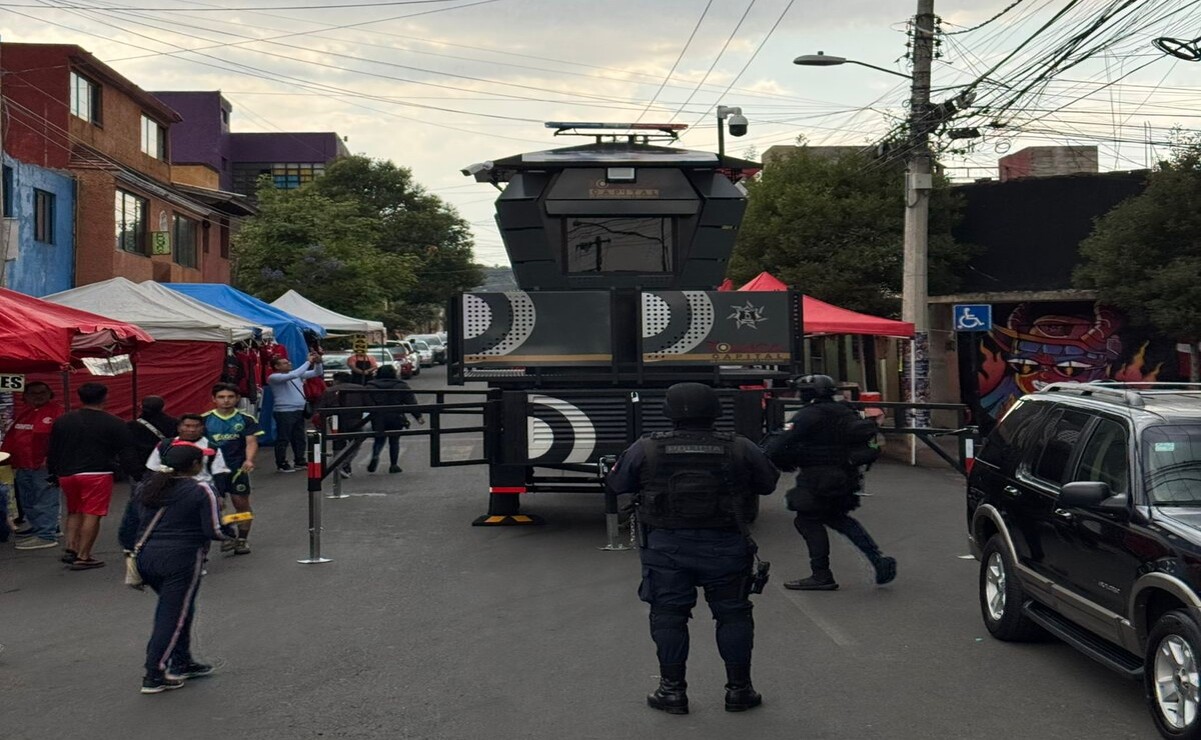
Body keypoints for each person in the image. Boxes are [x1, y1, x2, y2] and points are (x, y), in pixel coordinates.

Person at [607, 382, 780, 715]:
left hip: (666, 547)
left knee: (669, 616)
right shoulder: (739, 447)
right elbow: (768, 483)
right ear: (715, 411)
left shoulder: (647, 448)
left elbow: (617, 484)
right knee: (733, 614)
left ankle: (672, 692)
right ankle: (739, 691)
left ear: (669, 412)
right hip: (726, 544)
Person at [766, 374, 897, 591]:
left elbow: (779, 445)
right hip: (846, 476)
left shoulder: (808, 415)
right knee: (839, 519)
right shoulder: (845, 411)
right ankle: (879, 561)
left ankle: (821, 574)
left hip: (817, 477)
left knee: (807, 520)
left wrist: (783, 460)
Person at [118, 442, 230, 694]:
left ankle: (182, 661)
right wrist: (230, 533)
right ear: (194, 465)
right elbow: (213, 530)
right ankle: (154, 673)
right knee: (172, 616)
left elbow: (128, 527)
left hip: (146, 557)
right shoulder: (202, 489)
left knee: (180, 610)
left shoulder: (147, 488)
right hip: (182, 559)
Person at [47, 382, 130, 569]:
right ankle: (84, 556)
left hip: (67, 472)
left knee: (74, 510)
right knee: (92, 513)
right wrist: (134, 472)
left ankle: (71, 547)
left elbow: (53, 449)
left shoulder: (63, 420)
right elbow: (125, 451)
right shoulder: (114, 423)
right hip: (97, 472)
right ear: (105, 397)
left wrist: (53, 471)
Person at [2, 382, 64, 550]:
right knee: (28, 500)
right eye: (33, 393)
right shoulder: (25, 412)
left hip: (44, 465)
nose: (38, 395)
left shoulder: (57, 412)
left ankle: (46, 534)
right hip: (23, 464)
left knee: (45, 500)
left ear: (50, 393)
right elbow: (12, 438)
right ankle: (40, 527)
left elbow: (62, 439)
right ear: (26, 395)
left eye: (42, 392)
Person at [203, 384, 262, 556]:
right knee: (215, 507)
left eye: (230, 397)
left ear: (237, 399)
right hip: (212, 471)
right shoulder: (204, 420)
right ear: (214, 399)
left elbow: (251, 442)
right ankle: (226, 534)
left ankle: (242, 539)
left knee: (241, 505)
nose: (226, 400)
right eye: (221, 397)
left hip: (237, 469)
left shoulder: (246, 419)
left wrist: (249, 460)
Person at [266, 351, 323, 473]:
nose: (289, 364)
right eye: (285, 363)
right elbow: (292, 375)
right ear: (277, 367)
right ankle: (281, 463)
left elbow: (317, 373)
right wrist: (309, 361)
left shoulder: (296, 374)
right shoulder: (274, 377)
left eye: (288, 362)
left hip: (298, 410)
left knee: (299, 437)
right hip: (284, 411)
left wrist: (318, 362)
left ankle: (299, 460)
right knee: (284, 438)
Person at [365, 364, 423, 474]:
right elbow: (411, 402)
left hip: (378, 416)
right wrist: (418, 416)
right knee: (394, 441)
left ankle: (375, 456)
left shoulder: (370, 386)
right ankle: (393, 465)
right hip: (396, 416)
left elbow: (365, 402)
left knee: (379, 439)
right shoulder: (401, 386)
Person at [320, 372, 369, 478]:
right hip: (356, 419)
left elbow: (322, 407)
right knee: (356, 442)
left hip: (335, 420)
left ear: (336, 380)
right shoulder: (361, 388)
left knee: (338, 443)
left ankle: (337, 465)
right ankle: (344, 464)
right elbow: (368, 404)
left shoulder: (329, 390)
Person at [121, 396, 178, 483]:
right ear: (163, 407)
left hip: (141, 466)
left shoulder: (132, 425)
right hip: (165, 464)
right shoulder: (174, 423)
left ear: (141, 407)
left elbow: (128, 448)